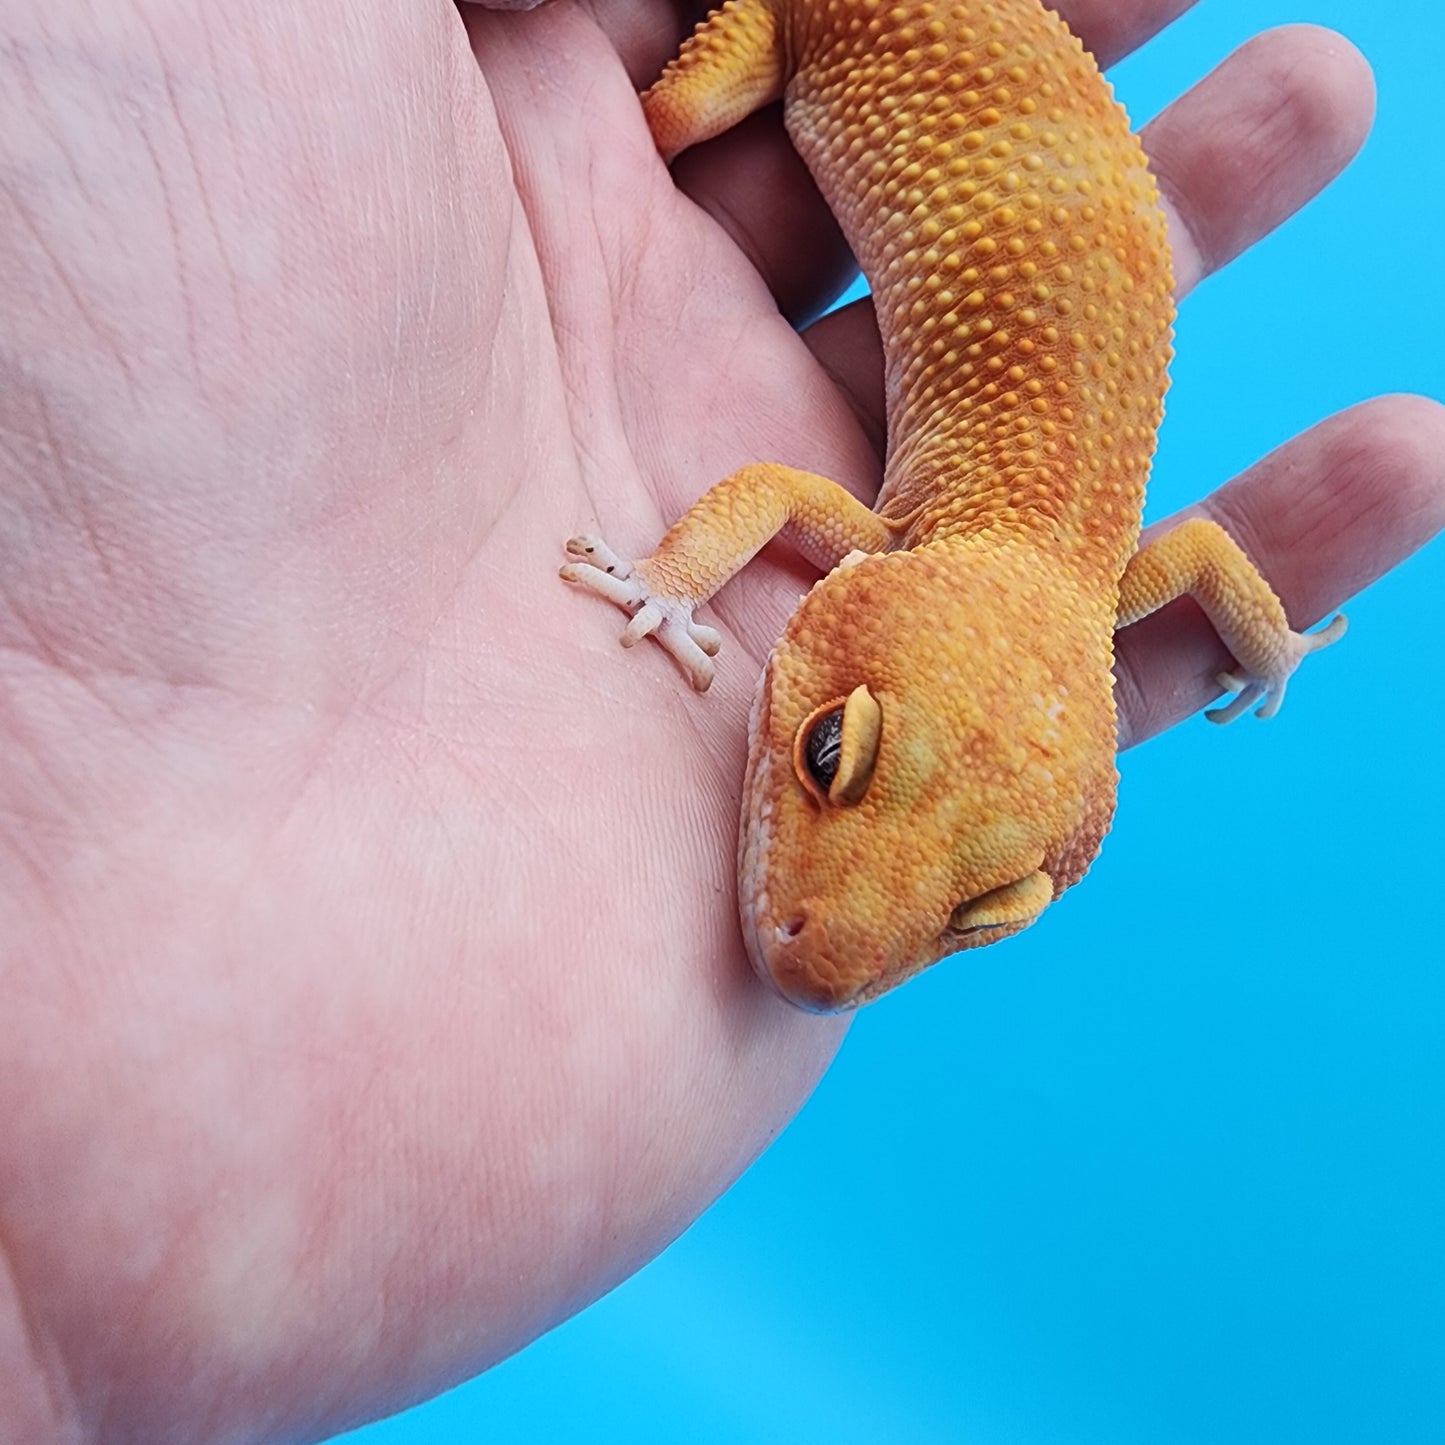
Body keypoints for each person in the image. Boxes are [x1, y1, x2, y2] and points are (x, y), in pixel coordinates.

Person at [0, 1, 1439, 1439]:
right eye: (839, 754)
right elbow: (796, 502)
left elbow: (1203, 564)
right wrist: (662, 584)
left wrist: (1268, 639)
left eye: (979, 904)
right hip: (828, 29)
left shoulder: (1076, 579)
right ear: (870, 598)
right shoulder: (979, 559)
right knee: (664, 131)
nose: (835, 953)